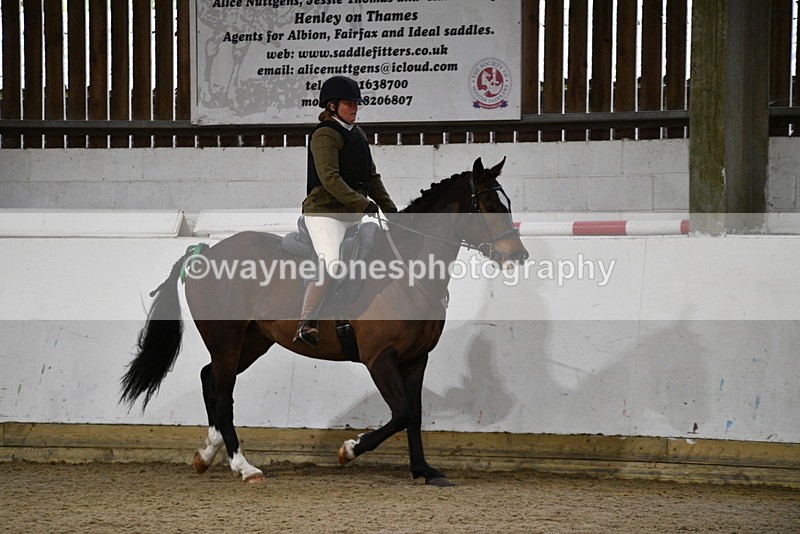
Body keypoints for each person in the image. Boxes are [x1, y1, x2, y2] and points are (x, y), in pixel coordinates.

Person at [293, 75, 398, 347]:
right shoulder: (325, 134)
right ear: (331, 106)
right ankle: (307, 321)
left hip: (351, 214)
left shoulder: (357, 134)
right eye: (349, 103)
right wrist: (363, 204)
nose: (355, 108)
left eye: (356, 104)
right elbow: (330, 178)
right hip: (325, 214)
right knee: (332, 261)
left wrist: (392, 211)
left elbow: (371, 178)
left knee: (375, 251)